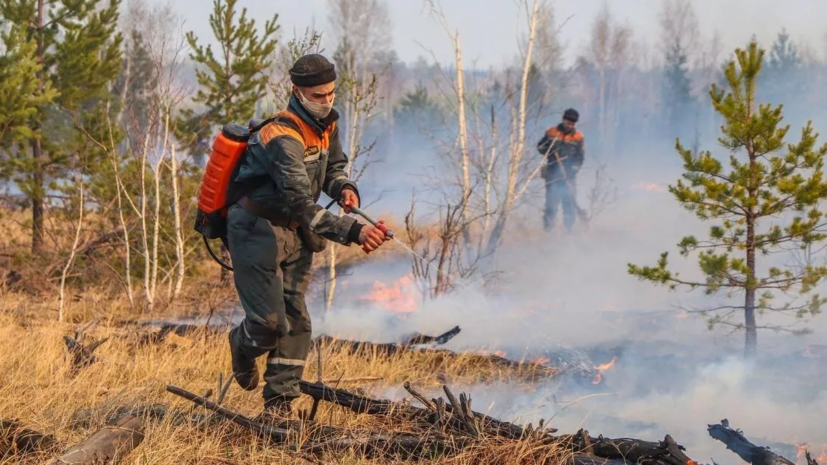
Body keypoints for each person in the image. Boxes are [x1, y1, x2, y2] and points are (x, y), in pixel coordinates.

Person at [225, 54, 389, 417]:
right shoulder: (281, 135)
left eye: (331, 93)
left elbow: (333, 167)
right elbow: (299, 201)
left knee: (296, 320)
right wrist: (355, 231)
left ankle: (279, 406)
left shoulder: (327, 124)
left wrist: (344, 188)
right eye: (318, 95)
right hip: (256, 229)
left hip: (297, 232)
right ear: (297, 91)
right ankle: (240, 343)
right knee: (268, 324)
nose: (326, 101)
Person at [537, 108, 585, 233]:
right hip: (552, 174)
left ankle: (568, 230)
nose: (570, 126)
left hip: (569, 176)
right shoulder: (552, 132)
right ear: (563, 120)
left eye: (572, 124)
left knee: (569, 203)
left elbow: (580, 158)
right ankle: (548, 230)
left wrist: (572, 172)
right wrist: (549, 149)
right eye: (568, 123)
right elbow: (540, 147)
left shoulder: (578, 137)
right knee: (551, 203)